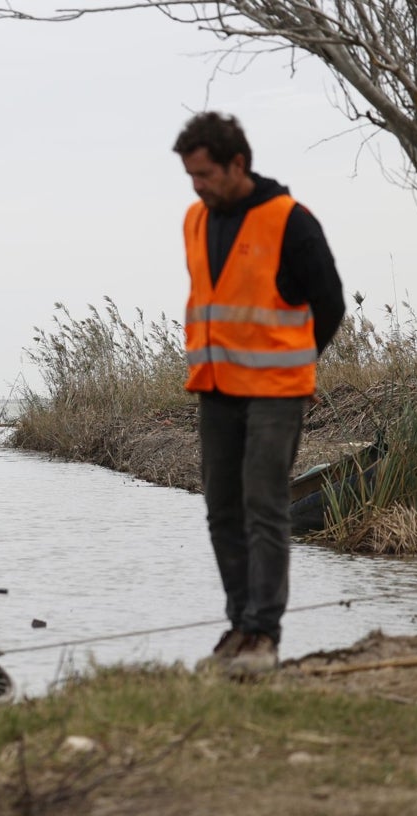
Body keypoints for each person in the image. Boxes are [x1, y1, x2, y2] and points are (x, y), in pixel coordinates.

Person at [172, 112, 346, 675]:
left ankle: (264, 637)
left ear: (237, 164)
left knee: (264, 507)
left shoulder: (289, 221)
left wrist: (294, 370)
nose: (197, 185)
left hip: (275, 393)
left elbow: (331, 304)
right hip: (216, 391)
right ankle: (239, 625)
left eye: (204, 174)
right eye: (190, 175)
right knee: (221, 509)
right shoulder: (195, 221)